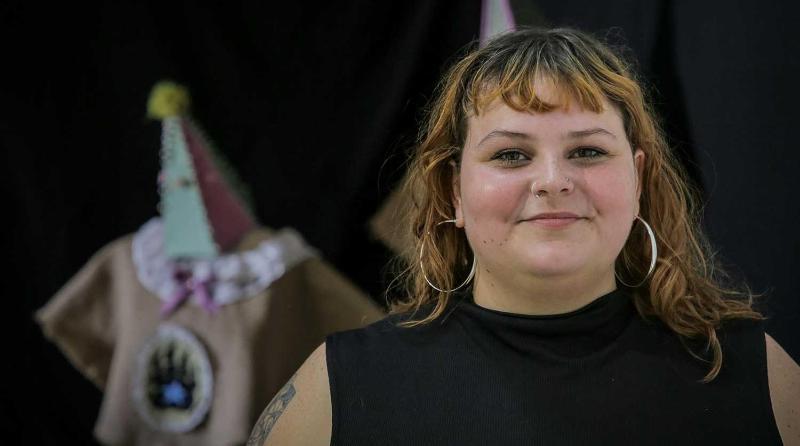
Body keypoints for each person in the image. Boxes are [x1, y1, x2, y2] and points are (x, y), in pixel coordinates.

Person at [247, 27, 800, 445]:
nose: (554, 182)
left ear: (639, 181)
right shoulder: (342, 386)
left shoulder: (757, 376)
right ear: (454, 193)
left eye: (587, 151)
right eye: (511, 155)